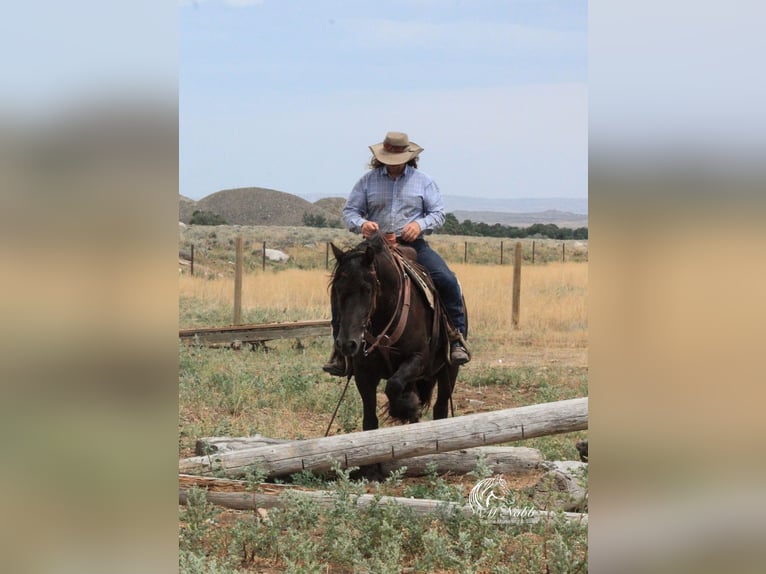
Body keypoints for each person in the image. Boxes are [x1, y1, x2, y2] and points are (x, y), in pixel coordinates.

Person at [323, 131, 470, 376]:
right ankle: (340, 348)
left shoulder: (424, 181)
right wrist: (362, 225)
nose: (393, 162)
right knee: (344, 282)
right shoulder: (367, 181)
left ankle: (456, 338)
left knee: (446, 280)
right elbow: (350, 212)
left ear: (408, 157)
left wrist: (418, 226)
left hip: (413, 246)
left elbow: (438, 213)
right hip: (374, 248)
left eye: (398, 157)